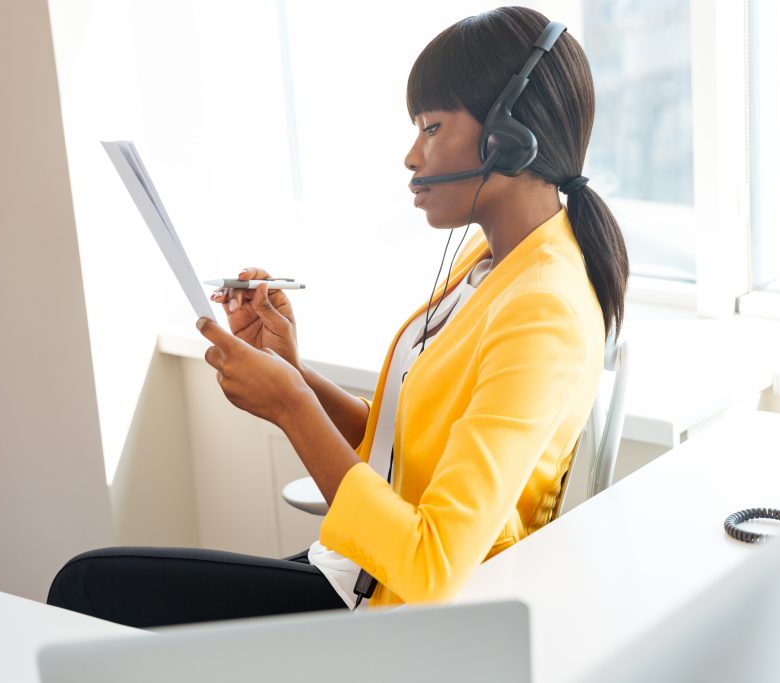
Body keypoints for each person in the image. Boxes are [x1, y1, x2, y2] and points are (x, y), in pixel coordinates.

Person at [47, 5, 628, 627]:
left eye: (431, 127)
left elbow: (431, 568)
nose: (411, 155)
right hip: (357, 569)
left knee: (89, 589)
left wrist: (290, 406)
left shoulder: (543, 309)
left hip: (398, 609)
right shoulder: (494, 262)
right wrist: (293, 372)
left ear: (506, 138)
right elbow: (399, 454)